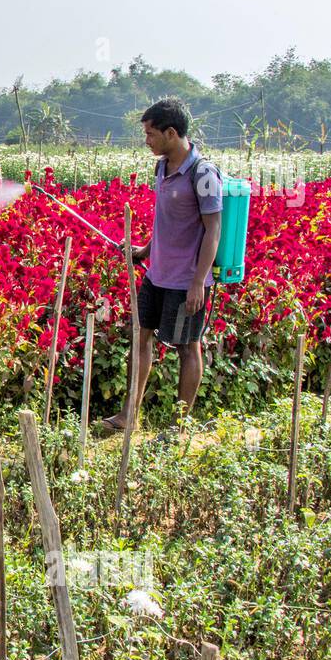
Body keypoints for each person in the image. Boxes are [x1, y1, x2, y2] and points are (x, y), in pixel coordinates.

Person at [102, 98, 222, 433]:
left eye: (151, 133)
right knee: (141, 337)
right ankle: (129, 415)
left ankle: (179, 425)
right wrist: (145, 249)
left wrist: (199, 281)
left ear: (171, 133)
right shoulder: (162, 167)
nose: (147, 140)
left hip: (187, 280)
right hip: (157, 274)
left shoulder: (203, 174)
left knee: (187, 347)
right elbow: (168, 221)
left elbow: (213, 228)